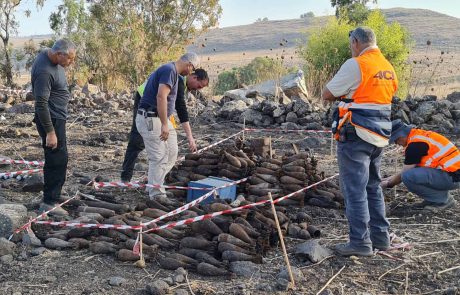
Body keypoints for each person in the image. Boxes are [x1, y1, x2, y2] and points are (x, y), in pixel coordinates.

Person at [321, 27, 398, 256]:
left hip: (356, 134)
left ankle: (360, 243)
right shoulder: (387, 66)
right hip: (379, 135)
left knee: (354, 190)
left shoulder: (357, 64)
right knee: (372, 186)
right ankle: (381, 238)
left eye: (350, 45)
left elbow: (327, 93)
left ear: (355, 42)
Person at [120, 69, 209, 182]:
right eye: (199, 86)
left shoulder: (183, 83)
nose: (198, 89)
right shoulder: (179, 80)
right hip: (145, 100)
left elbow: (173, 105)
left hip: (158, 108)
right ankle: (126, 178)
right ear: (194, 77)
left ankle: (155, 179)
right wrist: (189, 136)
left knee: (168, 144)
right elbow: (181, 109)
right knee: (137, 140)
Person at [136, 52, 200, 199]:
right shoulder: (169, 70)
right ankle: (157, 194)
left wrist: (189, 136)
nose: (191, 72)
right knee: (158, 157)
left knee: (171, 152)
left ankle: (155, 185)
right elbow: (161, 96)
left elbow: (179, 106)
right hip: (151, 118)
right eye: (192, 69)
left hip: (162, 118)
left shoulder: (176, 76)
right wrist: (165, 124)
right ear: (189, 65)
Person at [31, 39, 76, 216]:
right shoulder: (44, 70)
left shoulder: (49, 56)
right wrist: (50, 132)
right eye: (70, 58)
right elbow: (40, 103)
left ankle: (53, 193)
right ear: (59, 54)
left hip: (57, 117)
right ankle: (49, 202)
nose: (71, 62)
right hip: (51, 119)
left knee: (58, 158)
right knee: (57, 159)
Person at [381, 120, 459, 211]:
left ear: (401, 136)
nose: (396, 143)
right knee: (415, 172)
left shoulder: (414, 146)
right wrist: (386, 179)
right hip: (452, 174)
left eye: (395, 140)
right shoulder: (417, 136)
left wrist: (387, 184)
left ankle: (443, 201)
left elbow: (403, 174)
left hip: (453, 177)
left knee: (408, 177)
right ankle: (434, 199)